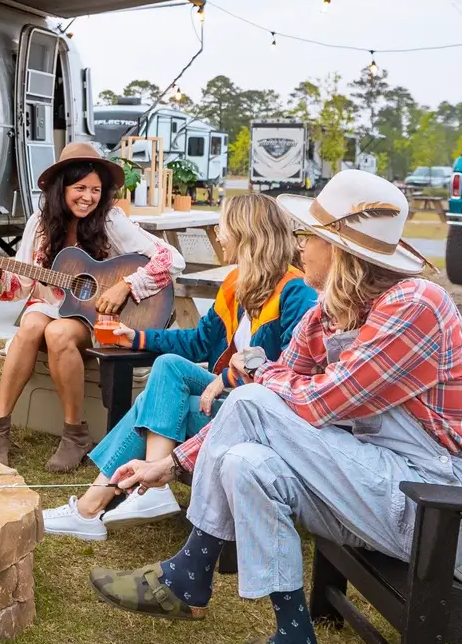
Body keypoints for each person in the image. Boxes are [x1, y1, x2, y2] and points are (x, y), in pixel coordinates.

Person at [89, 169, 462, 644]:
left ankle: (188, 574)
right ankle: (294, 643)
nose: (299, 246)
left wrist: (178, 456)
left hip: (439, 504)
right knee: (247, 462)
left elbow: (322, 401)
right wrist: (185, 450)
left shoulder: (416, 305)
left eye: (309, 236)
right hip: (374, 490)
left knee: (256, 400)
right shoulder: (329, 313)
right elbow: (281, 379)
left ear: (340, 249)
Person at [42, 192, 317, 540]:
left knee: (157, 399)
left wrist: (232, 375)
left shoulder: (297, 292)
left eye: (224, 225)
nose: (218, 233)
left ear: (247, 233)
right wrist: (136, 338)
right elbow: (198, 342)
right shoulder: (236, 284)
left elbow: (297, 365)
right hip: (226, 402)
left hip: (261, 417)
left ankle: (97, 506)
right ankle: (109, 503)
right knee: (166, 377)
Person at [0, 139, 183, 471]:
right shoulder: (39, 225)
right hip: (54, 306)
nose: (88, 197)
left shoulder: (111, 220)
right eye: (80, 188)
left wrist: (126, 285)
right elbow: (21, 287)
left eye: (95, 190)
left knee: (57, 334)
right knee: (31, 324)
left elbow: (172, 260)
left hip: (99, 314)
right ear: (61, 189)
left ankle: (74, 433)